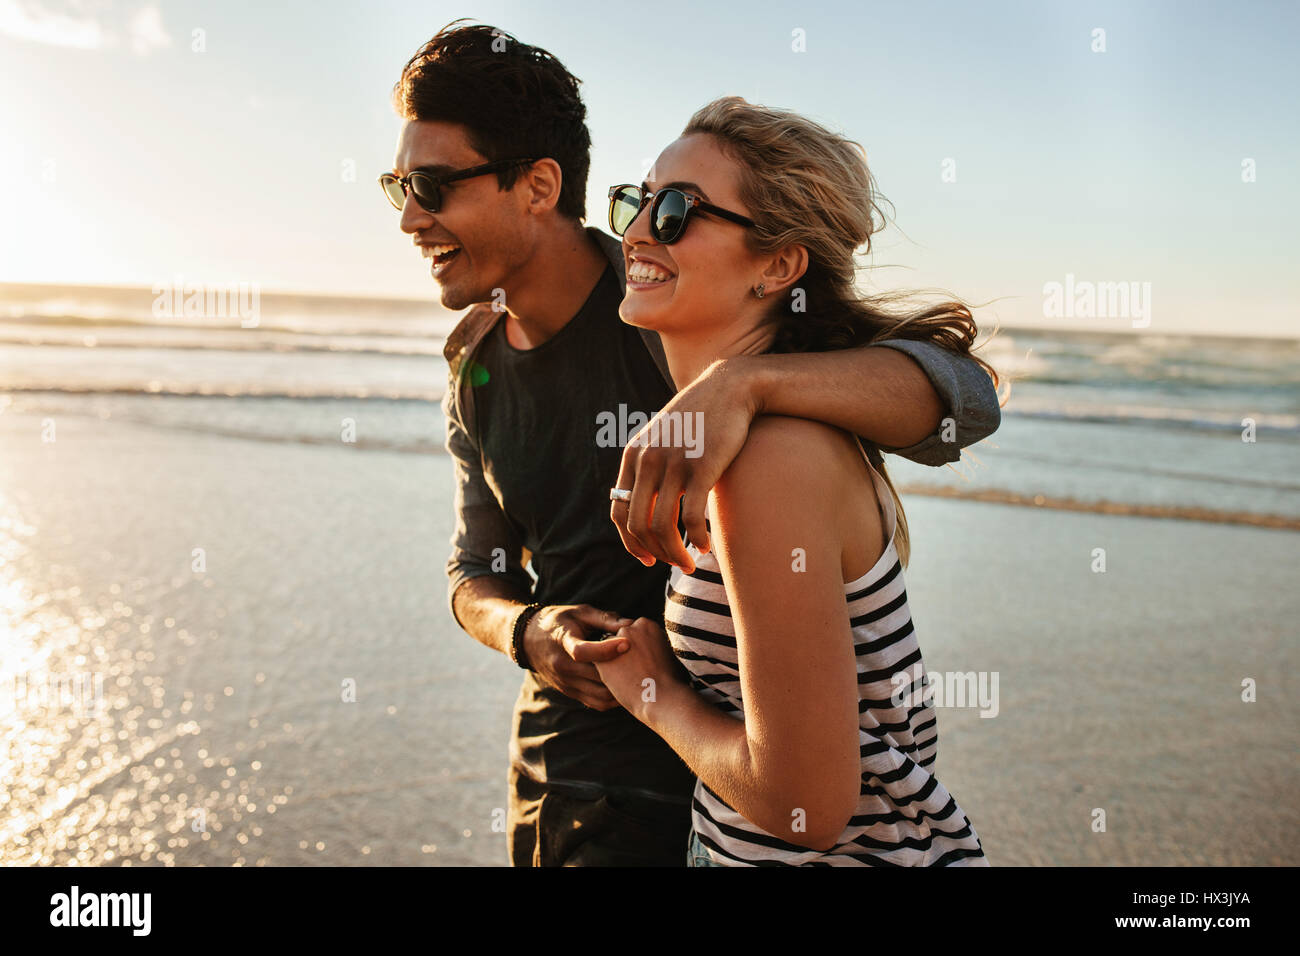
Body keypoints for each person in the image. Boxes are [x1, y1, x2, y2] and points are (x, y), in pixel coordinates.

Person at [384, 22, 1000, 866]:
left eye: (432, 184)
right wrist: (529, 631)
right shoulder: (475, 369)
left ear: (537, 185)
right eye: (399, 186)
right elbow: (475, 568)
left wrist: (746, 385)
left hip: (691, 794)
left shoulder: (670, 313)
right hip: (564, 774)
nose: (410, 216)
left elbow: (964, 402)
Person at [594, 97, 992, 866]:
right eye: (637, 201)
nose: (639, 231)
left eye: (676, 210)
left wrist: (655, 696)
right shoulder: (751, 430)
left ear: (777, 266)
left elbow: (802, 806)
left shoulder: (769, 458)